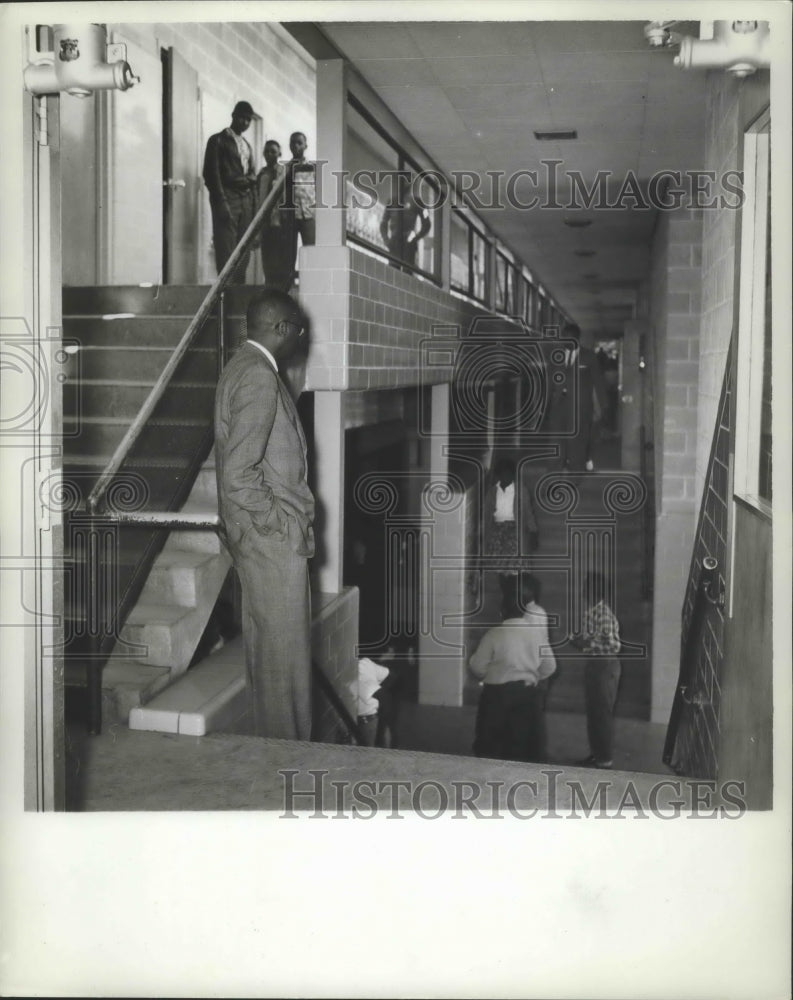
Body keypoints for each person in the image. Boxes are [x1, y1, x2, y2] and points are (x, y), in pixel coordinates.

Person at [214, 290, 314, 740]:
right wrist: (278, 525)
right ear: (279, 328)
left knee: (270, 658)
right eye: (297, 326)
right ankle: (288, 766)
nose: (301, 335)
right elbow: (239, 473)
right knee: (284, 661)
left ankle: (276, 757)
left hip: (259, 541)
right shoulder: (258, 377)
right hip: (271, 542)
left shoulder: (240, 367)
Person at [469, 575, 556, 762]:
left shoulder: (493, 634)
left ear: (502, 612)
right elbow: (550, 666)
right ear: (524, 612)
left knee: (490, 746)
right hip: (526, 695)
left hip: (496, 696)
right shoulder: (536, 635)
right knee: (521, 745)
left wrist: (489, 674)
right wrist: (532, 676)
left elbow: (477, 666)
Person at [202, 101, 258, 283]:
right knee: (226, 250)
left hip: (245, 201)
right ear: (233, 115)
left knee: (243, 251)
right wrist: (221, 203)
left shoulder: (247, 145)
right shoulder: (217, 140)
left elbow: (252, 176)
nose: (245, 122)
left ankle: (238, 298)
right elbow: (211, 175)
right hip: (228, 198)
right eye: (241, 117)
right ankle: (223, 300)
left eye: (248, 119)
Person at [572, 571, 622, 769]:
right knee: (594, 713)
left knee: (601, 714)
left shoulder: (604, 615)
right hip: (595, 664)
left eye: (585, 587)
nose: (582, 591)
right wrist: (580, 642)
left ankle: (604, 759)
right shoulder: (592, 613)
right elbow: (592, 641)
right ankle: (597, 753)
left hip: (605, 666)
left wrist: (584, 642)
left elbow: (613, 645)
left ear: (593, 591)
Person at [545, 322, 608, 472]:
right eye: (564, 338)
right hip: (559, 407)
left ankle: (573, 479)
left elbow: (598, 382)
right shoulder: (556, 356)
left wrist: (604, 407)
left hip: (580, 408)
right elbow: (548, 381)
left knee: (576, 446)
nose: (566, 342)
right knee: (556, 445)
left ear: (577, 339)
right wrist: (543, 406)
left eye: (570, 339)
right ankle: (553, 480)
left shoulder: (589, 356)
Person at [482, 456, 539, 608]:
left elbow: (528, 513)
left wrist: (533, 531)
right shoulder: (492, 492)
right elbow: (486, 517)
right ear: (498, 475)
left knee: (515, 571)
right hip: (498, 534)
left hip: (516, 533)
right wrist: (482, 536)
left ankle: (514, 599)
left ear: (513, 475)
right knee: (501, 572)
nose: (506, 477)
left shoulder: (521, 491)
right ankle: (507, 597)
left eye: (509, 474)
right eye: (503, 474)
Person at [256, 139, 291, 291]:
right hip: (265, 222)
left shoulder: (284, 172)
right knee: (267, 255)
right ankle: (269, 287)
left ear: (279, 154)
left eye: (273, 152)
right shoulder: (262, 174)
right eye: (267, 151)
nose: (270, 154)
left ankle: (281, 288)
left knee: (281, 256)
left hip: (281, 222)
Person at [283, 131, 316, 282]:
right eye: (293, 143)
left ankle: (310, 283)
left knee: (310, 250)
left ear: (305, 145)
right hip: (290, 216)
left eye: (299, 143)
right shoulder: (285, 168)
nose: (295, 146)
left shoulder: (313, 167)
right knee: (289, 253)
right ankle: (289, 285)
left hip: (308, 215)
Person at [379, 186, 431, 269]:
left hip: (408, 243)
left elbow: (427, 225)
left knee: (406, 272)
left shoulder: (417, 202)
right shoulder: (392, 201)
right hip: (395, 242)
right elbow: (383, 224)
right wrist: (386, 240)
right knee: (393, 272)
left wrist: (415, 238)